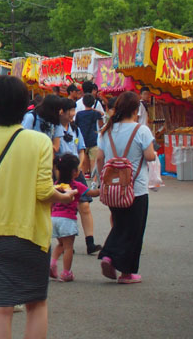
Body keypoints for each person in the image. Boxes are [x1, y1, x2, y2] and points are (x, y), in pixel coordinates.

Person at [0, 75, 75, 339]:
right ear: (25, 105)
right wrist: (63, 196)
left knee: (0, 310)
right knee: (36, 304)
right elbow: (43, 191)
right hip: (32, 233)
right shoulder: (39, 142)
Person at [96, 91, 156, 284]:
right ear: (135, 109)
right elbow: (149, 156)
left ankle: (108, 256)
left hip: (113, 188)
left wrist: (102, 182)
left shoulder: (107, 130)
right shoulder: (142, 130)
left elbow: (99, 158)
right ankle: (126, 273)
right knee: (134, 230)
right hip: (136, 188)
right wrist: (153, 153)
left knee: (120, 225)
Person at [57, 98, 101, 255]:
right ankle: (64, 243)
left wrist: (79, 167)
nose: (73, 114)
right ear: (61, 111)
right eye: (71, 111)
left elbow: (81, 149)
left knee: (84, 205)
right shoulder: (54, 130)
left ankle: (90, 242)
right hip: (60, 173)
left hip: (76, 172)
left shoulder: (75, 129)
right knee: (61, 207)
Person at [50, 154, 99, 282]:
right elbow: (92, 193)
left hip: (53, 218)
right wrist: (102, 188)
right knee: (68, 247)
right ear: (74, 172)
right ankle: (66, 272)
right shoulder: (76, 185)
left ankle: (52, 263)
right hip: (67, 219)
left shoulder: (56, 184)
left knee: (60, 244)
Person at [75, 93, 104, 178]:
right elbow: (102, 117)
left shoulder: (79, 114)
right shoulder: (95, 114)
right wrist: (94, 110)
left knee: (84, 161)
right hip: (93, 138)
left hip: (82, 139)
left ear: (83, 103)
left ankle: (83, 178)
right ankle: (93, 179)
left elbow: (76, 125)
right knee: (93, 161)